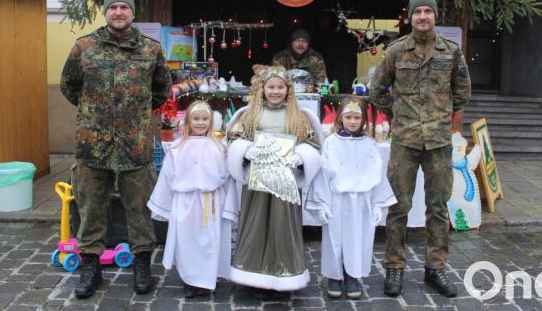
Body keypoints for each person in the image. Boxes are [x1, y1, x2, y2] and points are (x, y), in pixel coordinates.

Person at [60, 0, 172, 298]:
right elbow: (69, 86)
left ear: (133, 13)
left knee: (139, 208)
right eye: (113, 8)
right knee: (91, 208)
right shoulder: (84, 48)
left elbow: (162, 90)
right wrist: (94, 111)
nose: (119, 12)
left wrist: (132, 115)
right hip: (92, 143)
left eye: (124, 7)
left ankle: (141, 264)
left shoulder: (150, 50)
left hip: (134, 145)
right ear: (106, 12)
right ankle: (90, 267)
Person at [369, 0, 471, 298]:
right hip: (405, 140)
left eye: (428, 11)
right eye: (418, 12)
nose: (423, 17)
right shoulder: (396, 51)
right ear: (410, 17)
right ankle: (394, 267)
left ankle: (435, 269)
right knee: (398, 207)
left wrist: (438, 113)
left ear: (435, 16)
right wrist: (400, 111)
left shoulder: (451, 52)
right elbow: (376, 91)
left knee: (438, 208)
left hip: (439, 141)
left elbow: (463, 92)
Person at [225, 64, 324, 293]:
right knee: (255, 222)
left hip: (285, 181)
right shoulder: (250, 114)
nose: (276, 91)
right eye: (271, 87)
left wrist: (302, 156)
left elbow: (313, 144)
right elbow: (233, 138)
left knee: (283, 225)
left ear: (288, 90)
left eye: (280, 87)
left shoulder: (299, 117)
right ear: (263, 89)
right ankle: (252, 271)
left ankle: (284, 272)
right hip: (257, 181)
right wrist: (244, 150)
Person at [306, 97, 397, 299]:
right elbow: (323, 173)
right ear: (340, 118)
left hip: (362, 201)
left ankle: (352, 275)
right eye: (348, 117)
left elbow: (378, 175)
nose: (353, 121)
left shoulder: (370, 145)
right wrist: (322, 202)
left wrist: (377, 205)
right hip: (337, 199)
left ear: (363, 120)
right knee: (334, 238)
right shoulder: (330, 143)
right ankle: (334, 276)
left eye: (357, 117)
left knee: (358, 238)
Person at [147, 100, 238, 297]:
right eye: (196, 119)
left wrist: (228, 205)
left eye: (205, 119)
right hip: (185, 203)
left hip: (211, 203)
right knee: (187, 242)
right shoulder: (177, 148)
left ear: (211, 121)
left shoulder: (219, 148)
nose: (200, 123)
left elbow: (227, 178)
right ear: (188, 121)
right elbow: (168, 176)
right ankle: (189, 280)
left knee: (209, 242)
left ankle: (206, 280)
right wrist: (164, 205)